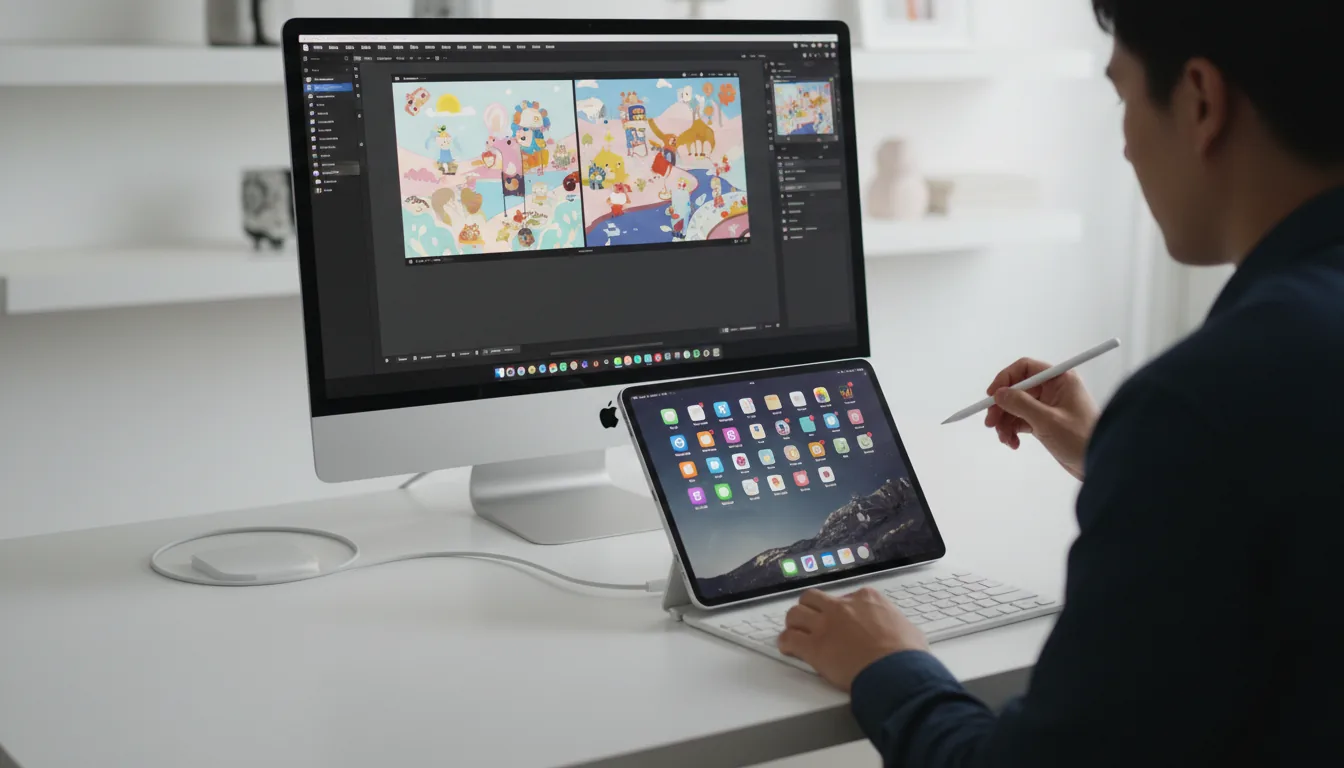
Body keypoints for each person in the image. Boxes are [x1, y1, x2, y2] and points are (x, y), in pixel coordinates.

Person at [777, 1, 1344, 765]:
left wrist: (887, 664)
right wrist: (1125, 457)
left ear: (1202, 102)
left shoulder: (1205, 402)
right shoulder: (1240, 399)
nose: (1125, 147)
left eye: (1122, 97)